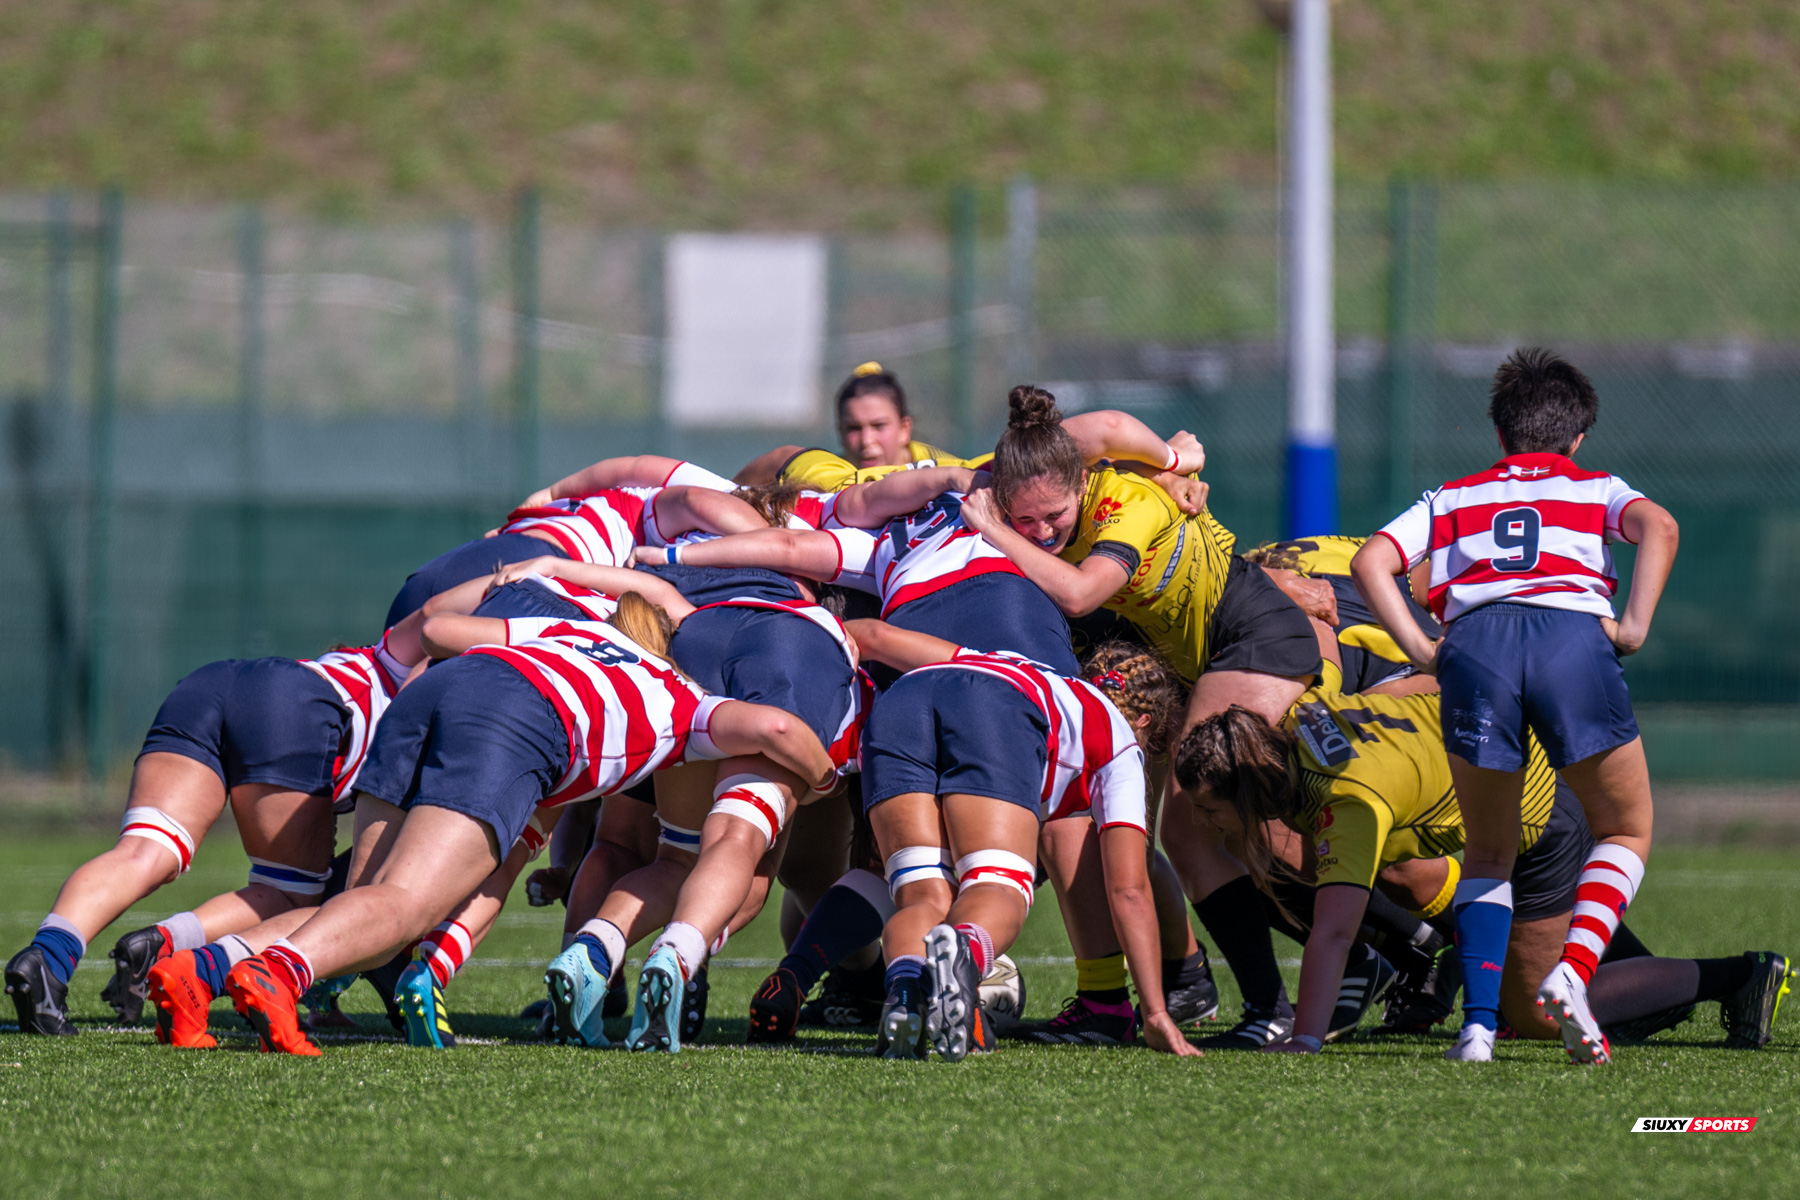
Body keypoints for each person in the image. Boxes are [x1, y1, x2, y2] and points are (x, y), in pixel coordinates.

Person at [219, 597, 837, 1056]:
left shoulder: (567, 629)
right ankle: (280, 971)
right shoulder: (678, 694)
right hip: (518, 721)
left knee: (369, 899)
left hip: (436, 689)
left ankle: (200, 969)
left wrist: (511, 580)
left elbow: (440, 631)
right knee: (406, 906)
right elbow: (776, 729)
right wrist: (827, 781)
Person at [959, 386, 1323, 1048]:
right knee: (1241, 833)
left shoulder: (1122, 500)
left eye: (1053, 516)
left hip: (1248, 632)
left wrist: (1171, 463)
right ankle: (1382, 953)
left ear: (1082, 481)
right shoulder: (1023, 473)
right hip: (1194, 658)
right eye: (1024, 520)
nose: (1038, 531)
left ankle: (1274, 1006)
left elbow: (1078, 591)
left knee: (1193, 828)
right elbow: (959, 476)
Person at [1351, 347, 1681, 1063]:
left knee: (1489, 853)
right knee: (1625, 829)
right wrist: (1632, 627)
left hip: (1475, 649)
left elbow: (1370, 561)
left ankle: (1476, 1030)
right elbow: (1661, 526)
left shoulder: (1454, 495)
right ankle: (1574, 971)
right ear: (1578, 435)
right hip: (1569, 639)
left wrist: (1422, 648)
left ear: (1499, 435)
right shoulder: (1596, 486)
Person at [1173, 689, 1792, 1056]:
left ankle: (1739, 976)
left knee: (1537, 1016)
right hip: (1511, 770)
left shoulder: (1348, 805)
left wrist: (1304, 1041)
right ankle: (1640, 982)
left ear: (1251, 790)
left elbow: (1334, 934)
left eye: (1209, 809)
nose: (1204, 823)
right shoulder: (1300, 720)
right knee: (1410, 878)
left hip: (1538, 816)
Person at [846, 620, 1200, 1060]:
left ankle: (904, 992)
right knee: (995, 884)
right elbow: (1129, 888)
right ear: (1146, 722)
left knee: (921, 896)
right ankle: (965, 957)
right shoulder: (1121, 742)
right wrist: (1154, 1012)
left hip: (900, 702)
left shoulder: (1030, 670)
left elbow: (875, 636)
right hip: (993, 710)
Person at [4, 645, 397, 1036]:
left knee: (143, 852)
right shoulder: (438, 672)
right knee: (294, 899)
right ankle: (174, 949)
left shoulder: (388, 657)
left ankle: (49, 957)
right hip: (289, 703)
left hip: (209, 684)